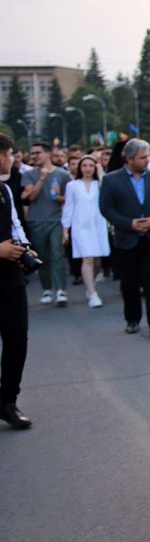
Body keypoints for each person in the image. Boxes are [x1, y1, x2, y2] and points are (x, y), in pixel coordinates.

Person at [99, 138, 150, 335]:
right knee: (129, 281)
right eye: (143, 157)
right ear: (129, 159)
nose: (147, 160)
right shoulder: (111, 180)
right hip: (127, 238)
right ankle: (132, 319)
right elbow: (106, 208)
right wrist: (128, 223)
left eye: (148, 156)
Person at [0, 133, 34, 429]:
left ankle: (7, 401)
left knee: (16, 339)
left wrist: (25, 248)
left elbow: (14, 223)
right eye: (11, 154)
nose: (12, 159)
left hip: (10, 279)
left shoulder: (4, 190)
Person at [21, 141, 72, 306]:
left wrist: (58, 197)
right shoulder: (29, 174)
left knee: (57, 255)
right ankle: (47, 289)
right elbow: (30, 197)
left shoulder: (63, 175)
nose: (34, 156)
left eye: (38, 153)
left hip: (57, 220)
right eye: (32, 153)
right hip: (36, 220)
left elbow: (69, 200)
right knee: (42, 257)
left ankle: (61, 290)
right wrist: (42, 179)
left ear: (48, 153)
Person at [61, 155, 110, 308]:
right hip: (80, 226)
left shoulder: (100, 183)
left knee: (96, 262)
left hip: (98, 225)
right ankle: (93, 293)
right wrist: (65, 229)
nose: (88, 168)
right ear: (80, 168)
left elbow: (108, 195)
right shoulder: (72, 185)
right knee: (87, 259)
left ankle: (91, 285)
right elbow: (68, 208)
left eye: (91, 165)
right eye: (85, 165)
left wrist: (101, 174)